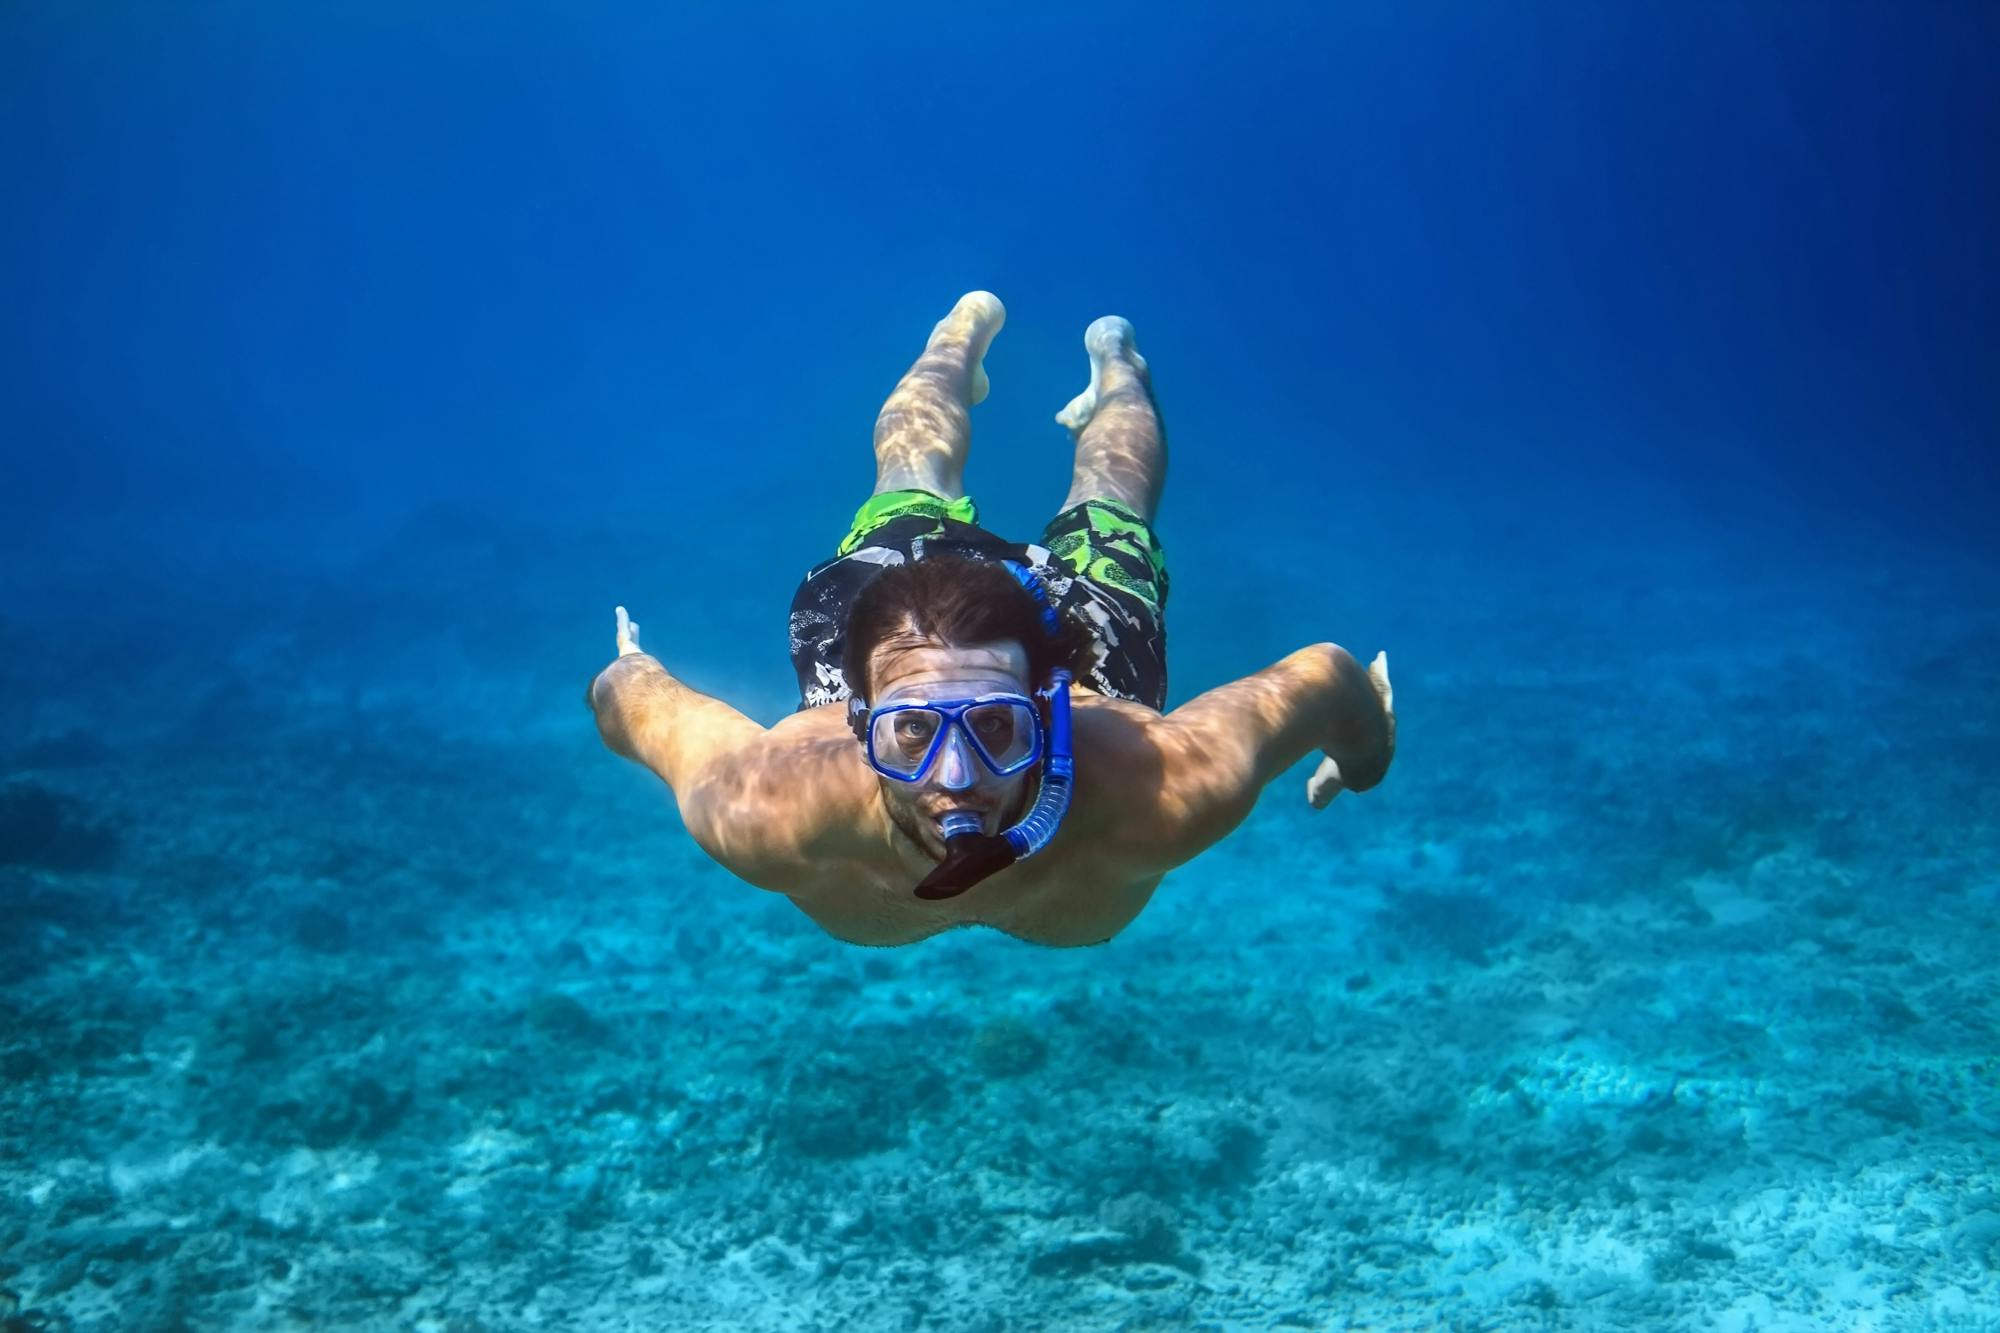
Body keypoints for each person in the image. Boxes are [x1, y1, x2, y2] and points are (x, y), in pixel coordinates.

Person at [588, 292, 1395, 947]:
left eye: (997, 727)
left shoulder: (1163, 787)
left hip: (1084, 635)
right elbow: (638, 708)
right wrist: (626, 673)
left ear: (1047, 711)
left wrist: (1363, 763)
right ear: (858, 719)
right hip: (903, 604)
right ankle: (956, 339)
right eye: (910, 732)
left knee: (1112, 495)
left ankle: (1120, 363)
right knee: (917, 466)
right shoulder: (764, 806)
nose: (956, 777)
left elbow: (1325, 677)